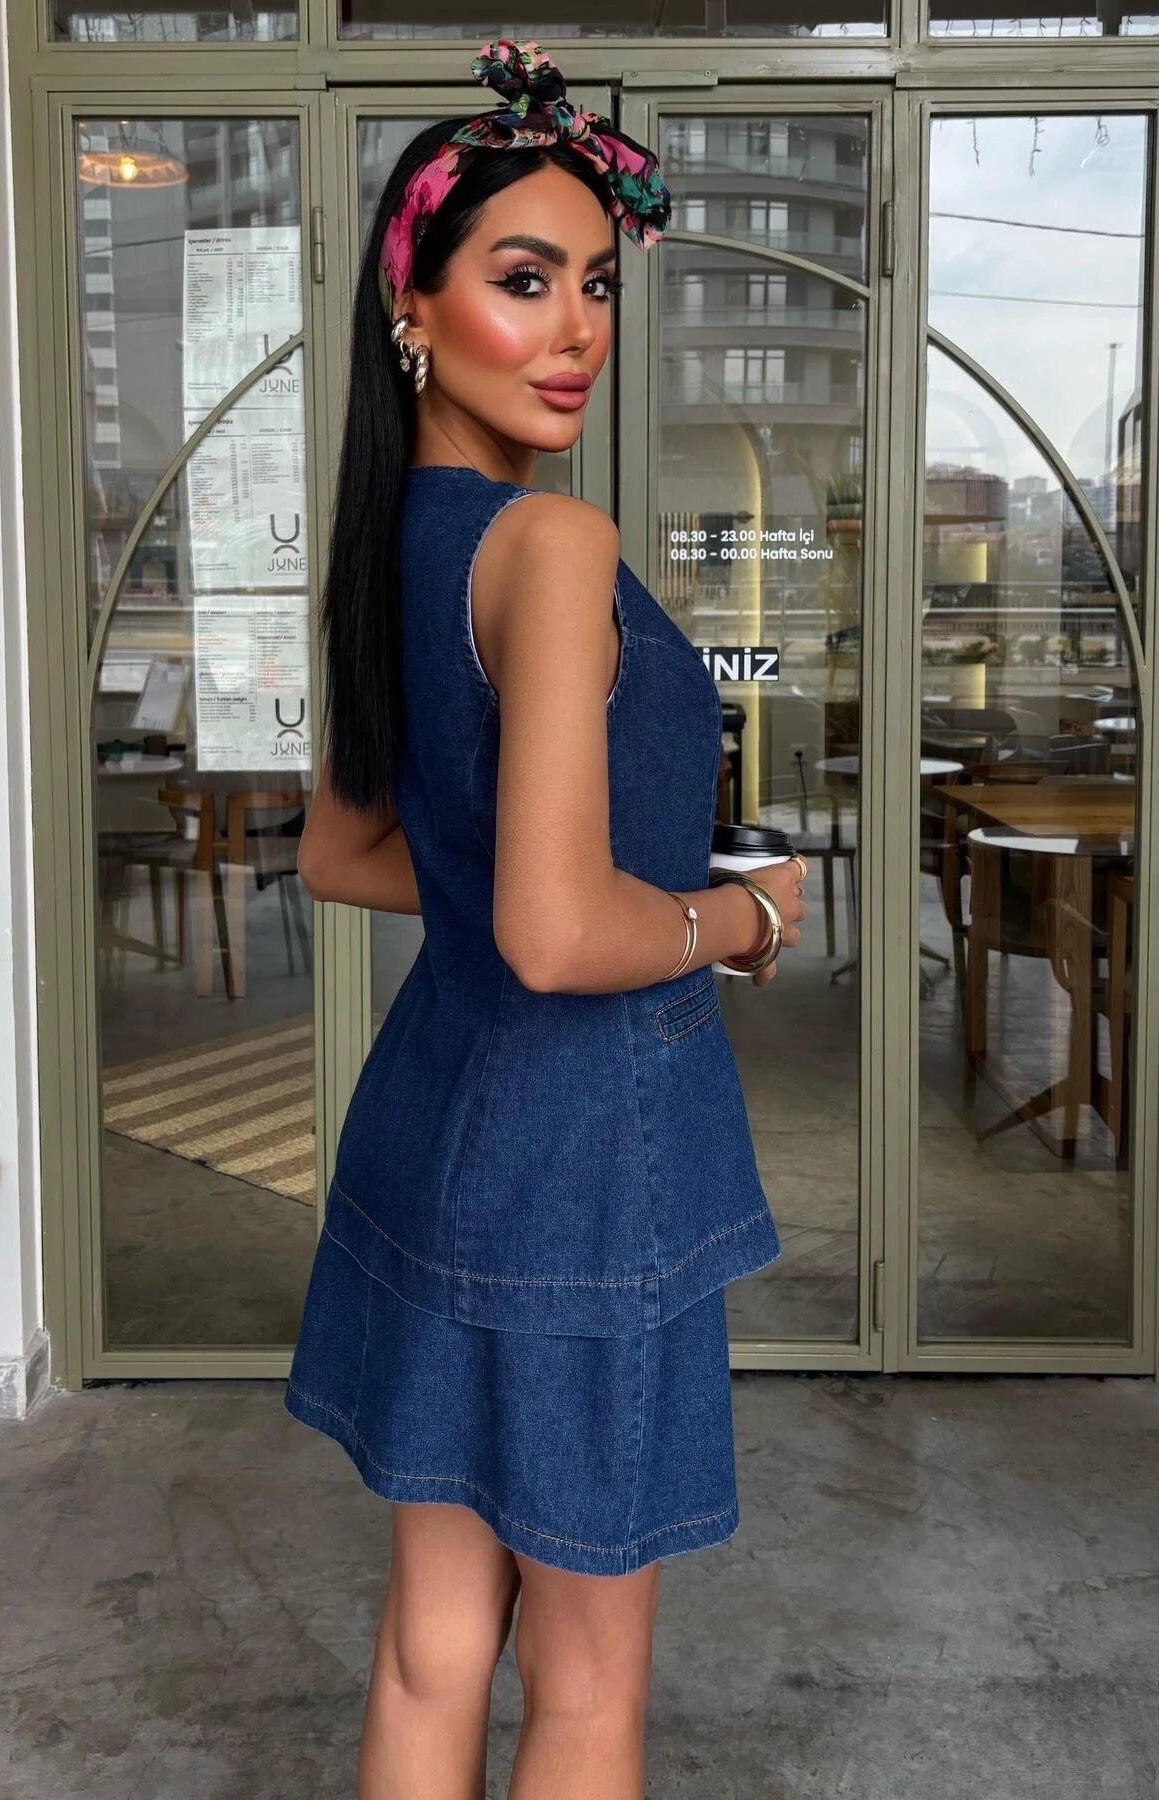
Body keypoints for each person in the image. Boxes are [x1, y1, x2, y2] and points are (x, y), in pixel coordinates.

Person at [285, 39, 809, 1800]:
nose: (577, 326)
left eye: (596, 282)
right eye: (524, 279)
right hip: (588, 1157)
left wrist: (548, 884)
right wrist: (738, 921)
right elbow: (556, 935)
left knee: (432, 1647)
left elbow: (347, 857)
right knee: (584, 1687)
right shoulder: (550, 547)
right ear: (413, 307)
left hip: (436, 1124)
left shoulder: (394, 547)